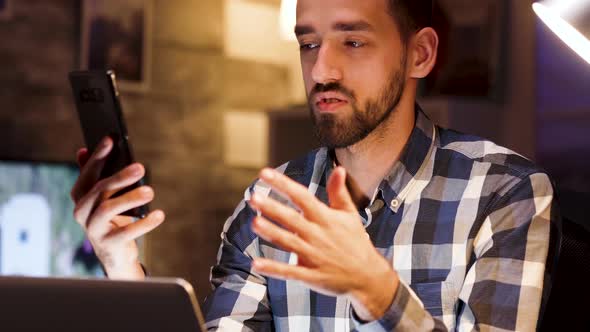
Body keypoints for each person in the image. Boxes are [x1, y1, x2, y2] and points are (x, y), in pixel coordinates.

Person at [70, 0, 558, 330]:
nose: (321, 71)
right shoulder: (268, 205)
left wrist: (379, 291)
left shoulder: (504, 191)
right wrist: (122, 266)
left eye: (353, 41)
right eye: (308, 44)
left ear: (420, 54)